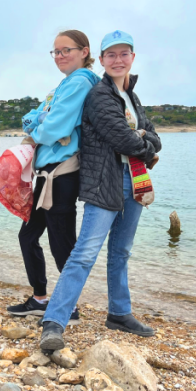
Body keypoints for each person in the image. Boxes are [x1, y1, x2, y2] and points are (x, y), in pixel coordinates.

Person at [40, 30, 161, 349]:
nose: (118, 60)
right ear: (102, 58)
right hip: (104, 181)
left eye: (124, 54)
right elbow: (122, 138)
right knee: (84, 253)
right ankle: (53, 321)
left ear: (132, 58)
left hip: (134, 180)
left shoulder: (131, 97)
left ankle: (119, 313)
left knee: (121, 250)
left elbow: (153, 135)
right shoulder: (99, 95)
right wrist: (144, 142)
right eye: (112, 55)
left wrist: (144, 140)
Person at [5, 30, 101, 324]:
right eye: (55, 52)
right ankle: (39, 298)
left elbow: (54, 126)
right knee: (28, 236)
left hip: (62, 175)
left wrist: (39, 127)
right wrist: (40, 121)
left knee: (62, 242)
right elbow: (31, 116)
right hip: (45, 175)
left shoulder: (81, 82)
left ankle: (68, 307)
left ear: (84, 51)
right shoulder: (65, 83)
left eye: (66, 50)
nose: (59, 56)